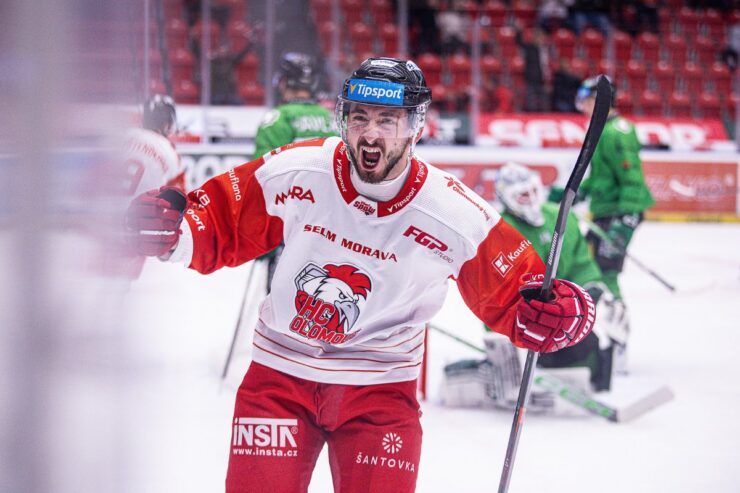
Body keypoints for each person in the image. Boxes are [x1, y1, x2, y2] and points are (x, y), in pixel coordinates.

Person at [124, 57, 596, 493]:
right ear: (343, 119)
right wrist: (174, 230)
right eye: (360, 117)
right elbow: (220, 219)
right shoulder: (301, 167)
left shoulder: (453, 212)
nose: (371, 134)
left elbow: (520, 294)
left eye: (388, 120)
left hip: (380, 396)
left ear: (415, 128)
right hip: (280, 379)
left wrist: (559, 313)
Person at [573, 76, 655, 371]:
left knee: (605, 273)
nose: (582, 107)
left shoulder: (618, 132)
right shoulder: (602, 129)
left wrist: (626, 219)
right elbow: (601, 176)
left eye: (586, 100)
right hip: (606, 213)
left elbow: (633, 178)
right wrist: (575, 190)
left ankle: (618, 345)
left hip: (619, 214)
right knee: (588, 268)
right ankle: (600, 339)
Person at [252, 52, 338, 292]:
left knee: (282, 300)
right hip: (330, 228)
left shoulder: (278, 119)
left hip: (288, 229)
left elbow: (261, 174)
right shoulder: (332, 119)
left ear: (283, 82)